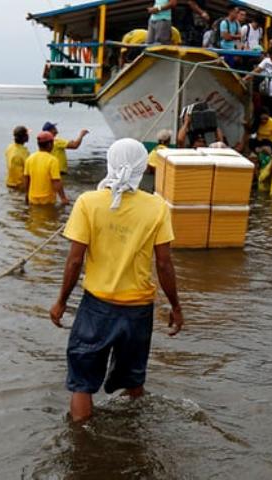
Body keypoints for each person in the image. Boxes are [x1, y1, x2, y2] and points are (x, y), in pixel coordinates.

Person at [49, 138, 183, 423]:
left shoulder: (88, 202)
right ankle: (132, 436)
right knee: (133, 378)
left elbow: (75, 261)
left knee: (82, 382)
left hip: (96, 306)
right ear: (140, 168)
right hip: (138, 309)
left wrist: (61, 302)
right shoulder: (156, 207)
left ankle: (83, 445)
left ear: (110, 163)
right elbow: (164, 264)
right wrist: (176, 307)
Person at [23, 131, 69, 206]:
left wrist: (26, 194)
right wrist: (63, 198)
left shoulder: (29, 159)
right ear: (49, 144)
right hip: (47, 199)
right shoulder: (52, 160)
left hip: (33, 198)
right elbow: (56, 181)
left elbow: (26, 179)